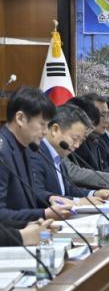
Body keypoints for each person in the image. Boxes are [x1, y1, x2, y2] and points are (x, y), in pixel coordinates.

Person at [0, 87, 72, 222]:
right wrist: (43, 214)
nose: (45, 132)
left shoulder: (25, 147)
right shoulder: (3, 152)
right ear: (21, 118)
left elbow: (28, 195)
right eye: (42, 124)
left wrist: (49, 198)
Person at [32, 104, 109, 205]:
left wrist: (93, 194)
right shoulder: (36, 153)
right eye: (75, 138)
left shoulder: (58, 155)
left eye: (81, 140)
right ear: (55, 130)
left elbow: (67, 190)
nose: (77, 145)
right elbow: (38, 194)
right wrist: (78, 202)